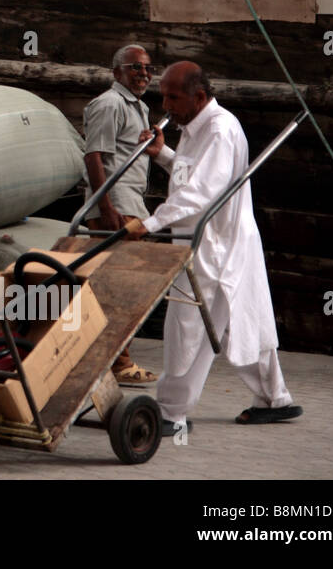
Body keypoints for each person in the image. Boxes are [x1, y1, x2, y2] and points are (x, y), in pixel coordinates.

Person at [127, 62, 302, 438]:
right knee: (241, 320)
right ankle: (276, 399)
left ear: (200, 96)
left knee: (190, 326)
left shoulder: (220, 129)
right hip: (210, 242)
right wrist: (162, 154)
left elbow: (203, 192)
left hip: (217, 245)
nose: (166, 104)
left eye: (173, 97)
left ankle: (171, 412)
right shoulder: (193, 127)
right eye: (164, 96)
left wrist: (150, 222)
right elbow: (195, 176)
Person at [82, 44, 158, 385]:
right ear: (117, 73)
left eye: (147, 68)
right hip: (117, 206)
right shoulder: (109, 103)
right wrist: (106, 206)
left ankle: (116, 360)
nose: (143, 73)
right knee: (119, 288)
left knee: (126, 287)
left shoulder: (138, 107)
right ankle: (119, 364)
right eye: (135, 68)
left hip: (131, 204)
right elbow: (94, 156)